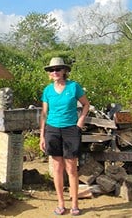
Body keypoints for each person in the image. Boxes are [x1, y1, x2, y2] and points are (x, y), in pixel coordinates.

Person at [39, 57, 89, 216]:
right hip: (52, 130)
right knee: (57, 168)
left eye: (58, 69)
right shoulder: (47, 90)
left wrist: (80, 122)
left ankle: (74, 204)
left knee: (71, 168)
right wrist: (42, 135)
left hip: (70, 130)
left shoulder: (74, 87)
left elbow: (86, 104)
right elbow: (44, 114)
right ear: (49, 73)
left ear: (64, 71)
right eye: (52, 70)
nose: (55, 72)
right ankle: (61, 203)